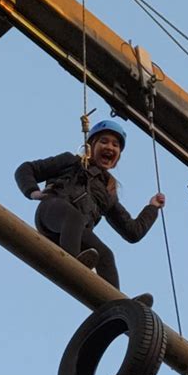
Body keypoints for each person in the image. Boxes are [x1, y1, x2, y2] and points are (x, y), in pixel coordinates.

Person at [15, 119, 165, 295]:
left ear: (118, 157)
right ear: (90, 146)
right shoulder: (71, 162)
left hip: (75, 233)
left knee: (106, 255)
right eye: (104, 141)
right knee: (74, 217)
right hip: (51, 213)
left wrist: (152, 207)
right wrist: (33, 192)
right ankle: (73, 262)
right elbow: (25, 169)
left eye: (115, 145)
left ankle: (115, 303)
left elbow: (132, 231)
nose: (110, 147)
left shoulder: (107, 192)